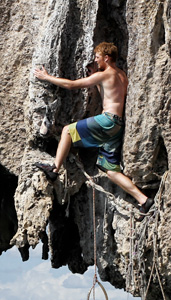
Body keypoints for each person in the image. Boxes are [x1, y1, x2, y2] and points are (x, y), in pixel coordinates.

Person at [34, 42, 153, 213]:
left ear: (106, 57)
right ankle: (144, 200)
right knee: (110, 170)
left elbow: (72, 85)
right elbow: (111, 94)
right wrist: (97, 77)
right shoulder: (121, 75)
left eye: (98, 57)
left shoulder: (105, 74)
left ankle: (54, 169)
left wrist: (46, 77)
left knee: (68, 130)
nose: (96, 61)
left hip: (107, 120)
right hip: (117, 125)